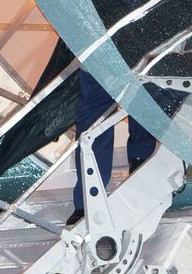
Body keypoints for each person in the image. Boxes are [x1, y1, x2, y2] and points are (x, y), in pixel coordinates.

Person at [66, 70, 156, 225]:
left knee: (143, 96)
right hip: (101, 58)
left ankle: (142, 160)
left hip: (142, 53)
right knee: (93, 120)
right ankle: (87, 199)